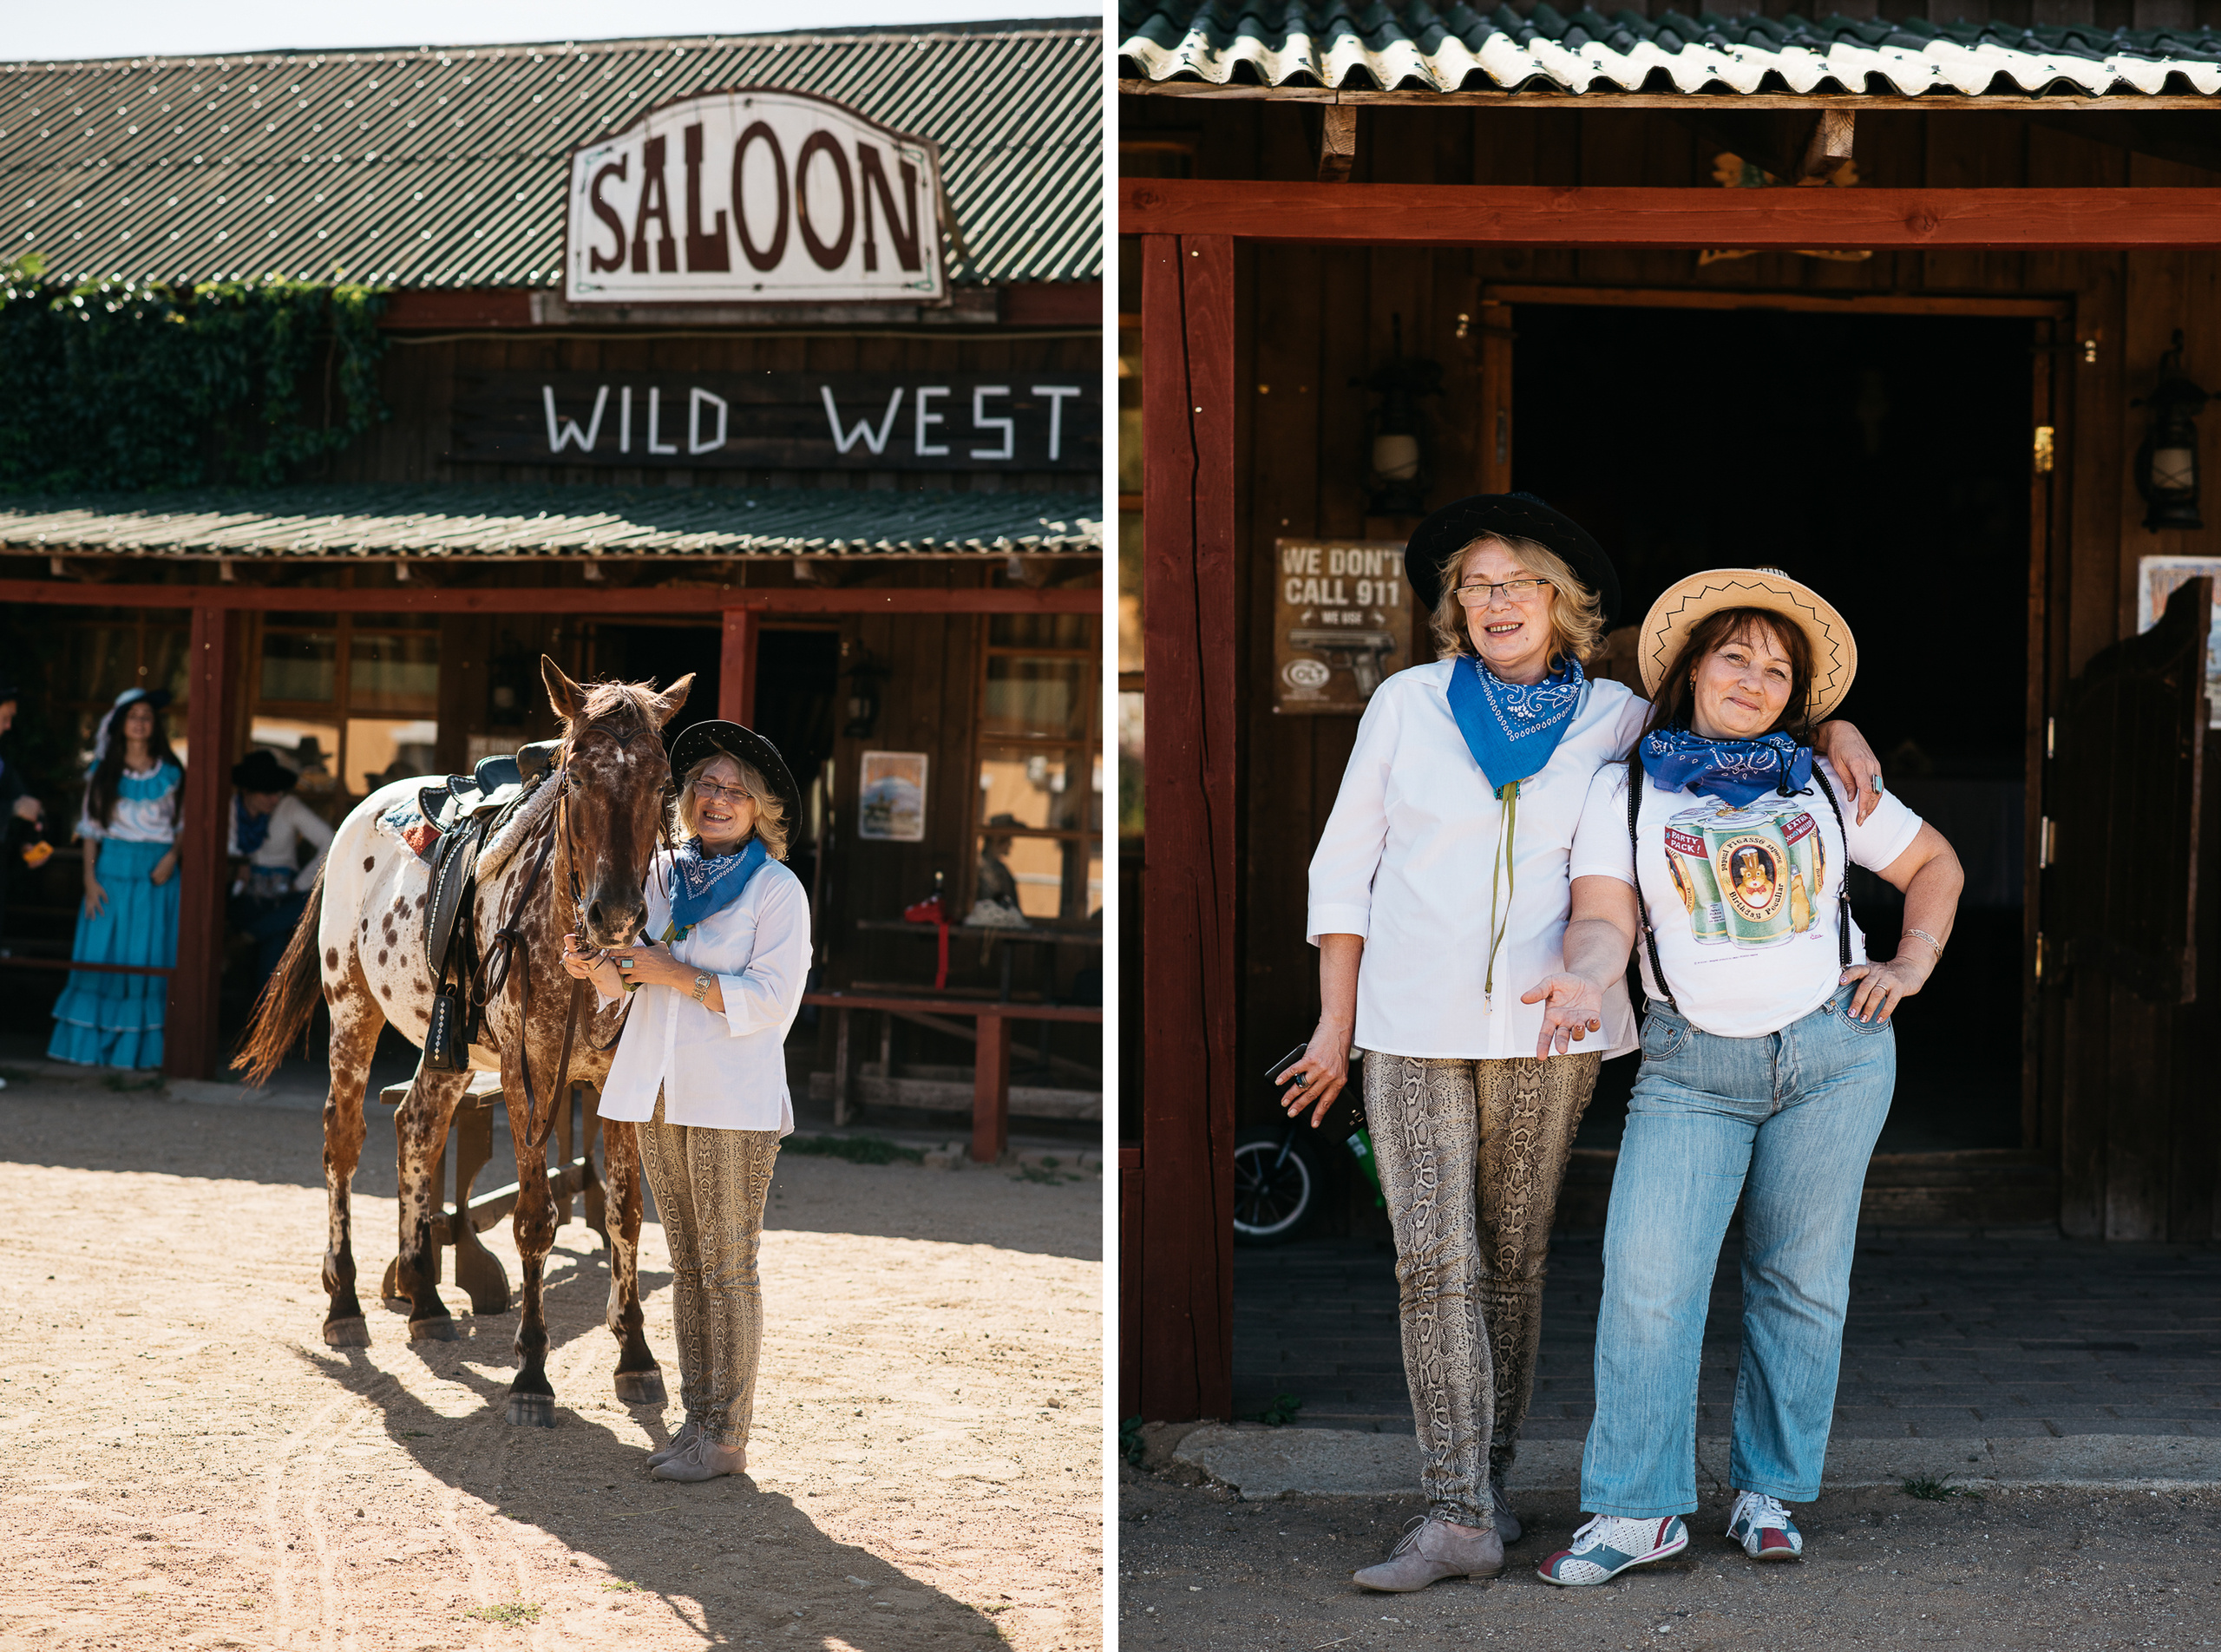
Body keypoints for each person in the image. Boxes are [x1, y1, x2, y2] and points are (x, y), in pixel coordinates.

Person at [1286, 498, 1882, 1594]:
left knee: (1512, 1261)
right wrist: (1335, 1021)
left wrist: (1839, 731)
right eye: (1474, 584)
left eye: (1518, 583)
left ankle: (1494, 1482)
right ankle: (1455, 1508)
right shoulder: (1407, 702)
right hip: (1407, 1023)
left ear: (1565, 603)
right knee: (1434, 1258)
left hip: (1547, 1028)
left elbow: (1746, 732)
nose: (1495, 601)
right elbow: (1342, 866)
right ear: (1452, 606)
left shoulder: (1615, 718)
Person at [1536, 570, 1962, 1586]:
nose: (1756, 679)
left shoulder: (1822, 780)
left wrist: (1909, 963)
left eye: (1778, 669)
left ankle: (1768, 1490)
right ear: (1689, 668)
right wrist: (1586, 975)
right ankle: (1640, 1512)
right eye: (1736, 655)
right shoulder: (1625, 786)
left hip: (1835, 1055)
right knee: (1647, 1282)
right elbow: (1604, 915)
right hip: (1691, 1065)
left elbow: (1935, 864)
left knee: (1801, 1282)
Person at [560, 721, 811, 1485]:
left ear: (762, 811)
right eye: (706, 785)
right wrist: (592, 968)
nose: (718, 799)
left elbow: (771, 1001)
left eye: (737, 791)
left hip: (733, 1100)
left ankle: (728, 1437)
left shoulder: (778, 891)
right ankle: (697, 1421)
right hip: (659, 1087)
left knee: (729, 1267)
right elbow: (624, 984)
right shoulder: (662, 874)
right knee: (689, 1263)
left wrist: (673, 974)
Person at [49, 689, 183, 1070]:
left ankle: (139, 1053)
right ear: (120, 724)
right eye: (133, 715)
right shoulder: (102, 771)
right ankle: (90, 1047)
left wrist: (172, 856)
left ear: (155, 725)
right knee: (102, 954)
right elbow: (90, 829)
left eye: (147, 715)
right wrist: (89, 880)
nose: (140, 721)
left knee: (147, 955)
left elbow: (185, 823)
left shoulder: (172, 772)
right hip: (110, 872)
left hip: (156, 875)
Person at [227, 748, 333, 988]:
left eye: (278, 792)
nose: (274, 799)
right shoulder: (230, 809)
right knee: (274, 933)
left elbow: (328, 840)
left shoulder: (288, 806)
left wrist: (300, 883)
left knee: (295, 913)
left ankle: (245, 938)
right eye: (266, 792)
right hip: (242, 897)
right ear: (248, 790)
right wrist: (239, 864)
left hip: (285, 896)